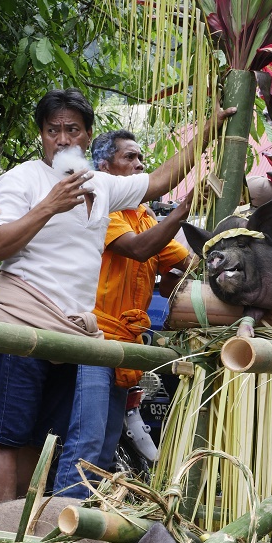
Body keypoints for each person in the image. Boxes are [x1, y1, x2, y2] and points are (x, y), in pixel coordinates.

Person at [0, 87, 234, 504]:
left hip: (74, 333)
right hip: (20, 322)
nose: (62, 139)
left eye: (72, 130)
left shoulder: (101, 185)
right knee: (8, 437)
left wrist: (210, 128)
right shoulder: (21, 179)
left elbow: (159, 181)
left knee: (39, 439)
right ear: (41, 134)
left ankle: (20, 527)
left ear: (87, 135)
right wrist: (48, 206)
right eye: (53, 130)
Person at [53, 130, 195, 498]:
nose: (140, 165)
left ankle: (89, 519)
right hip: (95, 339)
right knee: (87, 440)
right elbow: (139, 249)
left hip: (126, 345)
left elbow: (185, 265)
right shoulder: (102, 205)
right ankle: (60, 519)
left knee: (105, 444)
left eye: (141, 158)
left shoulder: (144, 216)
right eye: (129, 157)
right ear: (104, 168)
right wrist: (181, 213)